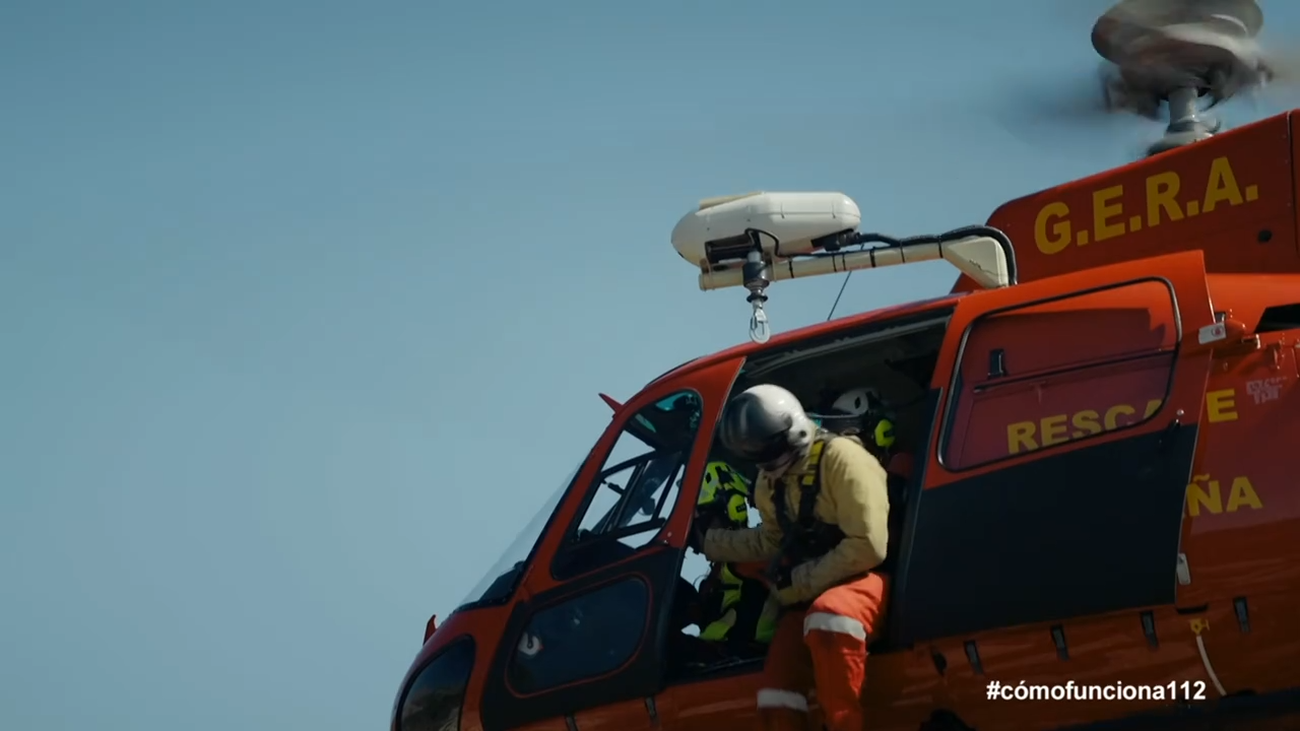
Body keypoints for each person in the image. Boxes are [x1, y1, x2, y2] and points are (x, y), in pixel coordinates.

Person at [697, 383, 890, 731]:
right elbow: (770, 539)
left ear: (795, 431)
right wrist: (708, 542)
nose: (766, 463)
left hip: (869, 577)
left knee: (830, 618)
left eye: (769, 450)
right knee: (775, 690)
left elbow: (869, 546)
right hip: (814, 590)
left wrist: (799, 582)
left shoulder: (843, 459)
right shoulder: (769, 482)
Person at [692, 460, 779, 651]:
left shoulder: (749, 557)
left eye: (702, 516)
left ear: (732, 509)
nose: (694, 527)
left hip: (741, 653)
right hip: (717, 655)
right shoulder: (719, 571)